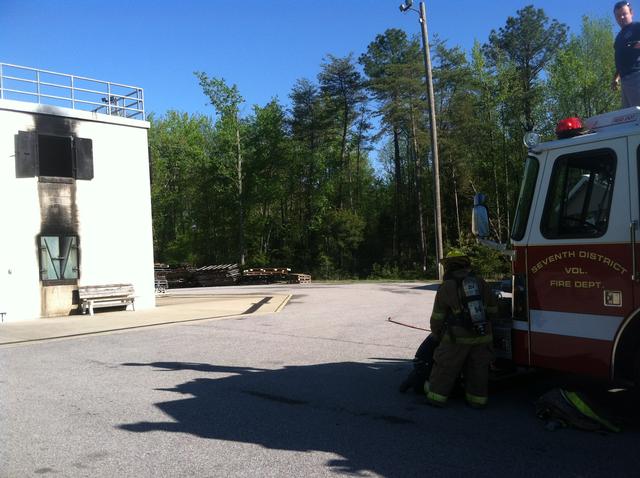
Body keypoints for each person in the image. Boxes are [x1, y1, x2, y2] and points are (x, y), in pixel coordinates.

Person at [425, 250, 498, 408]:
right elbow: (493, 310)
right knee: (478, 370)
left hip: (456, 337)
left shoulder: (446, 287)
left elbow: (438, 316)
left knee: (445, 367)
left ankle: (436, 398)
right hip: (483, 335)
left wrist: (436, 333)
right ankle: (477, 401)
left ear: (449, 266)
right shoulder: (481, 282)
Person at [612, 1, 640, 107]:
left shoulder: (637, 27)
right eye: (618, 16)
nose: (622, 17)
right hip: (624, 81)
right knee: (630, 117)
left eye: (624, 14)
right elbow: (620, 60)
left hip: (636, 76)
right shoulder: (618, 38)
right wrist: (616, 78)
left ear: (631, 13)